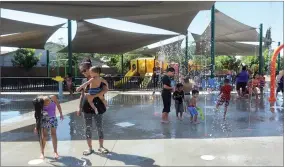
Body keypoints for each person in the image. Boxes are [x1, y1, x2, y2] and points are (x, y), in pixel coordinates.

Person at [77, 58, 109, 155]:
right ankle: (90, 148)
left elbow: (105, 90)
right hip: (86, 106)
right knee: (88, 127)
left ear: (90, 69)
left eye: (84, 70)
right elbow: (82, 95)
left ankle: (101, 147)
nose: (83, 73)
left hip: (98, 105)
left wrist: (94, 96)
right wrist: (79, 107)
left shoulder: (100, 79)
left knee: (99, 126)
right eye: (82, 71)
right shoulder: (84, 80)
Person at [32, 95, 64, 159]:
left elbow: (58, 105)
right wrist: (36, 126)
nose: (47, 105)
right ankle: (42, 152)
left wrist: (61, 114)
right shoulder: (39, 101)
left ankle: (55, 152)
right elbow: (37, 114)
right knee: (44, 136)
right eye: (45, 105)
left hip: (53, 118)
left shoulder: (53, 97)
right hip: (44, 119)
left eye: (48, 103)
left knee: (53, 134)